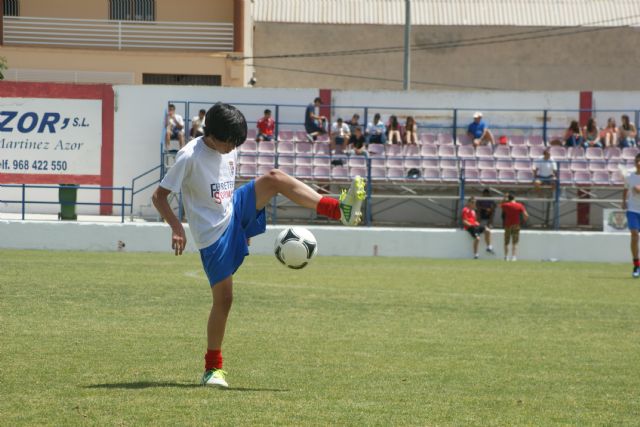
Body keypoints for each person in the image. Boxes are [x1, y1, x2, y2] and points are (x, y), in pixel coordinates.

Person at [152, 102, 367, 388]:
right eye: (230, 143)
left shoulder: (230, 147)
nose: (233, 148)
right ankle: (212, 369)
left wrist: (246, 220)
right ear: (213, 136)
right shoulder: (188, 157)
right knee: (225, 300)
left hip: (234, 211)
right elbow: (159, 196)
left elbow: (225, 182)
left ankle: (338, 209)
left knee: (274, 178)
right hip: (212, 235)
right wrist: (177, 228)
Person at [622, 152, 640, 278]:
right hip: (633, 210)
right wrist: (623, 201)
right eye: (637, 161)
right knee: (634, 235)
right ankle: (636, 265)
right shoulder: (629, 176)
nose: (639, 163)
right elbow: (625, 189)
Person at [500, 192, 529, 262]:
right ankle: (513, 257)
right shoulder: (520, 205)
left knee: (506, 241)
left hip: (507, 225)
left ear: (508, 199)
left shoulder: (506, 205)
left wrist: (504, 198)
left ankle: (506, 257)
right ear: (514, 198)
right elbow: (526, 215)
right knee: (515, 242)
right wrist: (524, 221)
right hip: (516, 225)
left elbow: (500, 205)